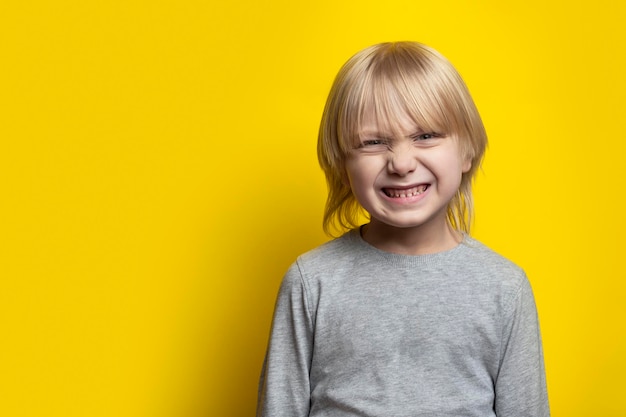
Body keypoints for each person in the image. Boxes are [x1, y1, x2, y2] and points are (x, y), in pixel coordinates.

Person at [257, 41, 549, 417]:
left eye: (426, 135)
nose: (401, 162)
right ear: (343, 164)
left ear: (467, 152)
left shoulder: (504, 288)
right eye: (373, 142)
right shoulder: (311, 282)